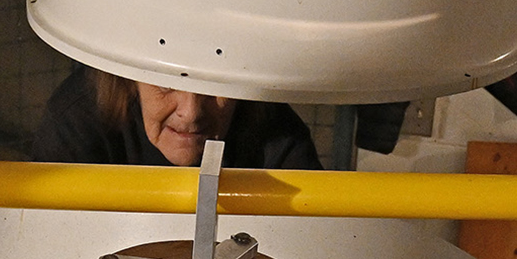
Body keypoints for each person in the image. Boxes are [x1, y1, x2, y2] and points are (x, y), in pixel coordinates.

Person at [33, 64, 324, 168]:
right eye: (167, 82)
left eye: (215, 84)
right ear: (128, 75)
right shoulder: (74, 124)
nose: (191, 114)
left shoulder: (276, 131)